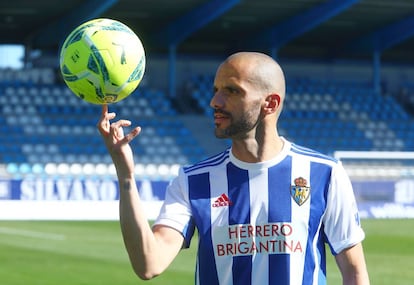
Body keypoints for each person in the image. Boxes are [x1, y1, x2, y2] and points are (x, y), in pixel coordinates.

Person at [97, 51, 370, 285]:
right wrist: (126, 176)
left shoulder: (324, 174)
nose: (215, 102)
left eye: (232, 91)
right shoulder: (194, 181)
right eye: (216, 90)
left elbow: (355, 273)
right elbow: (149, 263)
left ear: (270, 104)